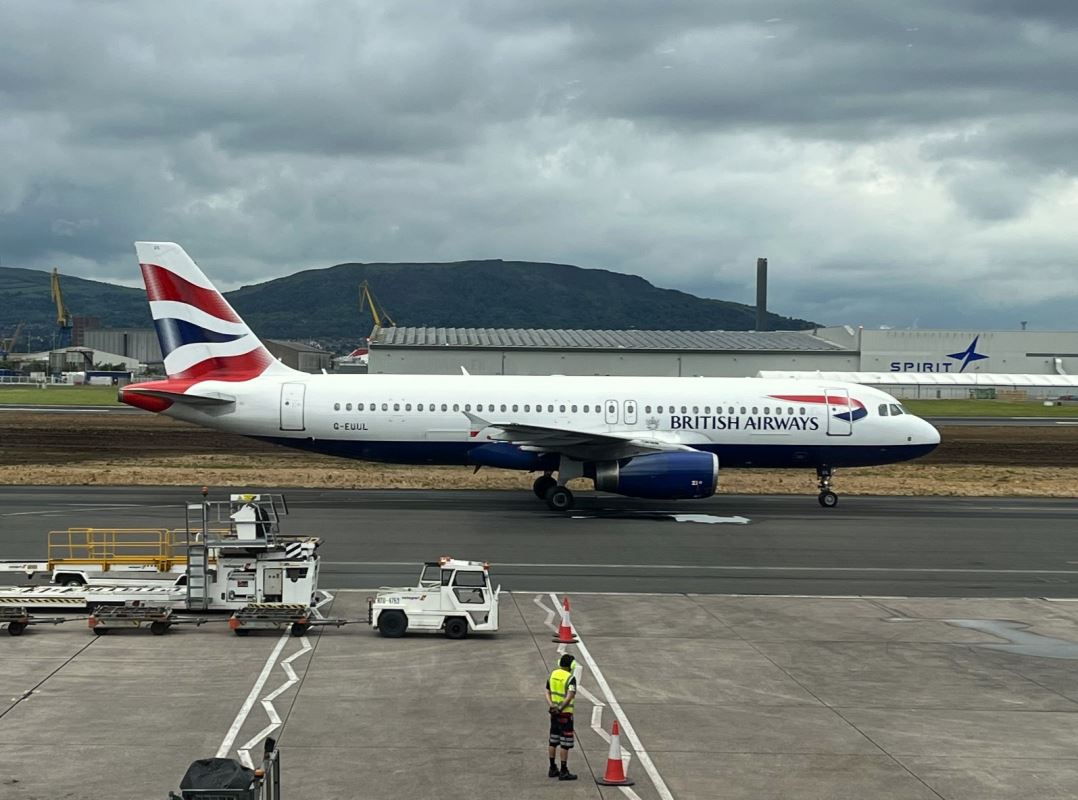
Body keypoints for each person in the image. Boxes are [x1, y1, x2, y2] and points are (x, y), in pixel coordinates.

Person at [545, 653, 578, 780]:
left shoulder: (553, 674)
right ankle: (564, 770)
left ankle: (552, 768)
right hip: (565, 713)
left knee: (553, 740)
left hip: (553, 713)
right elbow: (570, 695)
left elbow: (547, 691)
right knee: (565, 743)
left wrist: (552, 705)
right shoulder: (570, 678)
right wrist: (561, 707)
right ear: (571, 665)